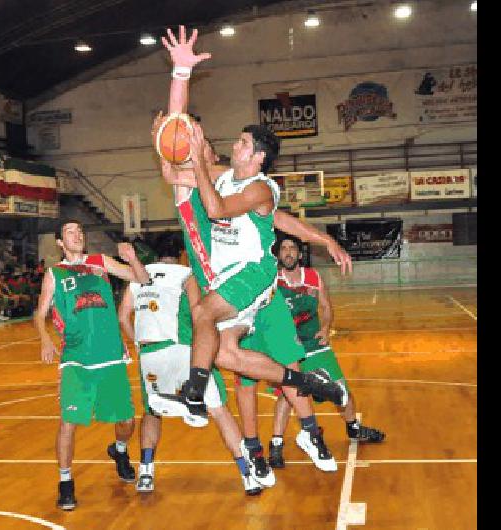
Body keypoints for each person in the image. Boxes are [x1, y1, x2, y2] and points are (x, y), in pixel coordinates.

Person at [149, 26, 352, 477]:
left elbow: (216, 204)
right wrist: (180, 72)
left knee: (203, 316)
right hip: (226, 280)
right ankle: (304, 384)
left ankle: (197, 395)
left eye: (242, 142)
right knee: (228, 355)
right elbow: (175, 148)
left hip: (254, 275)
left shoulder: (259, 187)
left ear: (257, 155)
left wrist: (198, 161)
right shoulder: (222, 176)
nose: (233, 144)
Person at [117, 236, 262, 495]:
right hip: (185, 350)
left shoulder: (137, 277)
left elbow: (123, 316)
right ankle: (248, 475)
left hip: (151, 353)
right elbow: (199, 313)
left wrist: (138, 344)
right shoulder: (186, 274)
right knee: (219, 411)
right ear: (182, 254)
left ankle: (146, 473)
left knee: (152, 412)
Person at [35, 219, 149, 511]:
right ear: (60, 243)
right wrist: (45, 339)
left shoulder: (101, 262)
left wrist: (133, 259)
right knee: (68, 423)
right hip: (76, 358)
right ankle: (65, 482)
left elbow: (142, 280)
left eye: (80, 231)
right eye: (70, 231)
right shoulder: (55, 273)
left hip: (110, 354)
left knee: (126, 422)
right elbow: (39, 314)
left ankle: (119, 450)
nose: (77, 234)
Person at [268, 236, 386, 469]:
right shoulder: (272, 280)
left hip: (314, 343)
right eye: (284, 249)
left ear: (300, 254)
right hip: (287, 347)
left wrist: (325, 327)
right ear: (279, 255)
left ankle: (354, 428)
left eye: (293, 248)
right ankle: (276, 445)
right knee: (287, 395)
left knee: (341, 389)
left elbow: (326, 306)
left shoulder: (313, 277)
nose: (289, 252)